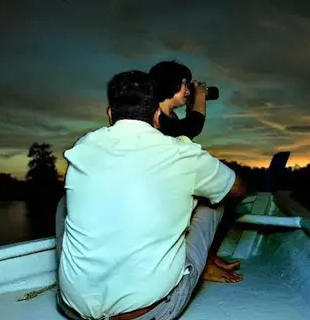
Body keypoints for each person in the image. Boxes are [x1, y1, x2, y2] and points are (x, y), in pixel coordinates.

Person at [56, 70, 246, 320]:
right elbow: (238, 189)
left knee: (64, 203)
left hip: (73, 309)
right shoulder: (180, 152)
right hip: (148, 314)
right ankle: (201, 266)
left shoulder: (82, 147)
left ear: (110, 114)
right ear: (157, 116)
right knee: (215, 199)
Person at [149, 61, 206, 140]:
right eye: (184, 84)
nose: (187, 91)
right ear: (171, 83)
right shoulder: (152, 115)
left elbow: (183, 136)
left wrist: (191, 107)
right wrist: (200, 95)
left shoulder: (171, 116)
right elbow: (191, 128)